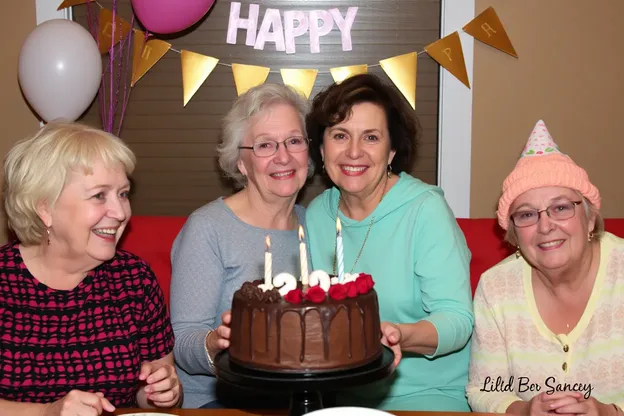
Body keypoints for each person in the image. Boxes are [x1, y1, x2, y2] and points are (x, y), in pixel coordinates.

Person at [304, 73, 474, 411]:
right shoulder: (316, 215)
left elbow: (457, 319)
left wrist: (398, 334)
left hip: (426, 396)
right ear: (322, 149)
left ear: (392, 150)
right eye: (340, 135)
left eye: (371, 137)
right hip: (341, 395)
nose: (354, 151)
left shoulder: (425, 209)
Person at [0, 121, 180, 415]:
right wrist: (46, 412)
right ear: (44, 208)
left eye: (123, 193)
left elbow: (149, 393)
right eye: (99, 195)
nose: (121, 213)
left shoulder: (135, 280)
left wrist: (161, 391)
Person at [466, 120, 624, 414]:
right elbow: (482, 389)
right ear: (513, 235)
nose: (546, 226)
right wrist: (523, 411)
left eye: (561, 208)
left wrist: (608, 412)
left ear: (589, 218)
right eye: (527, 214)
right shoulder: (496, 287)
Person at [170, 83, 312, 408]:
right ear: (241, 163)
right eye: (265, 145)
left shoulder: (314, 224)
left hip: (300, 399)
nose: (284, 156)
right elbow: (184, 338)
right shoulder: (208, 228)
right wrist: (216, 343)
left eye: (294, 141)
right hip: (221, 404)